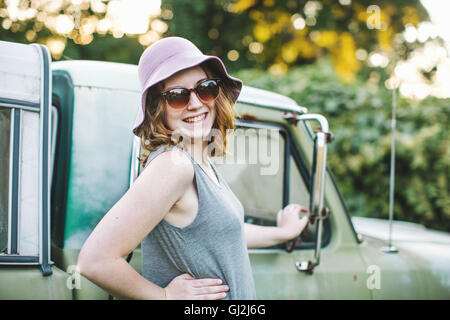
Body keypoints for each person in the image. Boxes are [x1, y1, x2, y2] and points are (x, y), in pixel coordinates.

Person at [77, 37, 309, 300]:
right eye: (177, 96)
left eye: (205, 88)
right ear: (157, 107)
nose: (196, 103)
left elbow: (223, 233)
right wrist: (165, 296)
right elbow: (95, 260)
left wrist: (283, 232)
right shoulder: (174, 165)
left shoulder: (198, 161)